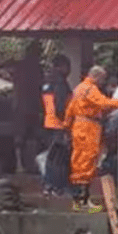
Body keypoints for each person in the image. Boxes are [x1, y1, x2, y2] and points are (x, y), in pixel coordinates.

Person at [61, 66, 118, 212]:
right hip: (89, 126)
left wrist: (66, 126)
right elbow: (103, 103)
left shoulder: (78, 89)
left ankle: (78, 200)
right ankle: (82, 201)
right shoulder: (90, 88)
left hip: (79, 126)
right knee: (87, 161)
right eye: (103, 79)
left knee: (79, 161)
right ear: (98, 77)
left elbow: (69, 109)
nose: (103, 82)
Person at [40, 54, 73, 196]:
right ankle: (57, 187)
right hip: (59, 125)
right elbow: (60, 105)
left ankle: (49, 186)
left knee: (51, 156)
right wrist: (66, 124)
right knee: (59, 158)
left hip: (48, 123)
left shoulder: (47, 82)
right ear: (61, 67)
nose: (69, 70)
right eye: (67, 66)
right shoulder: (60, 82)